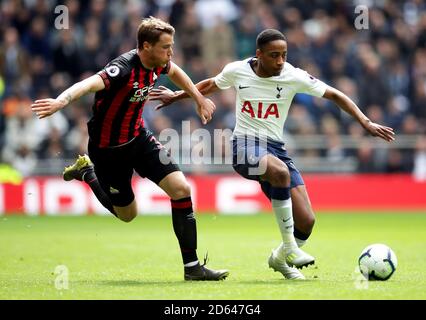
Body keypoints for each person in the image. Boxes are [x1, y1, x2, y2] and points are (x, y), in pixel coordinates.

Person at [149, 29, 395, 280]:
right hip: (244, 146)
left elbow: (334, 94)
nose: (280, 61)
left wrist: (365, 122)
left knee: (307, 222)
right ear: (259, 54)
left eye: (284, 55)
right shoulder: (238, 70)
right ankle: (290, 248)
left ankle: (279, 258)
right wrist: (176, 95)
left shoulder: (292, 75)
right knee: (279, 171)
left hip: (275, 148)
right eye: (274, 55)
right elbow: (210, 84)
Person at [30, 17, 228, 281]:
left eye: (172, 46)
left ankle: (192, 268)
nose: (171, 53)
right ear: (146, 46)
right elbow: (88, 84)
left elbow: (176, 71)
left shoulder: (160, 62)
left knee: (181, 189)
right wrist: (61, 100)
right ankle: (89, 173)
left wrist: (199, 98)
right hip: (108, 150)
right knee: (128, 215)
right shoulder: (122, 69)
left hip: (139, 138)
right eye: (166, 47)